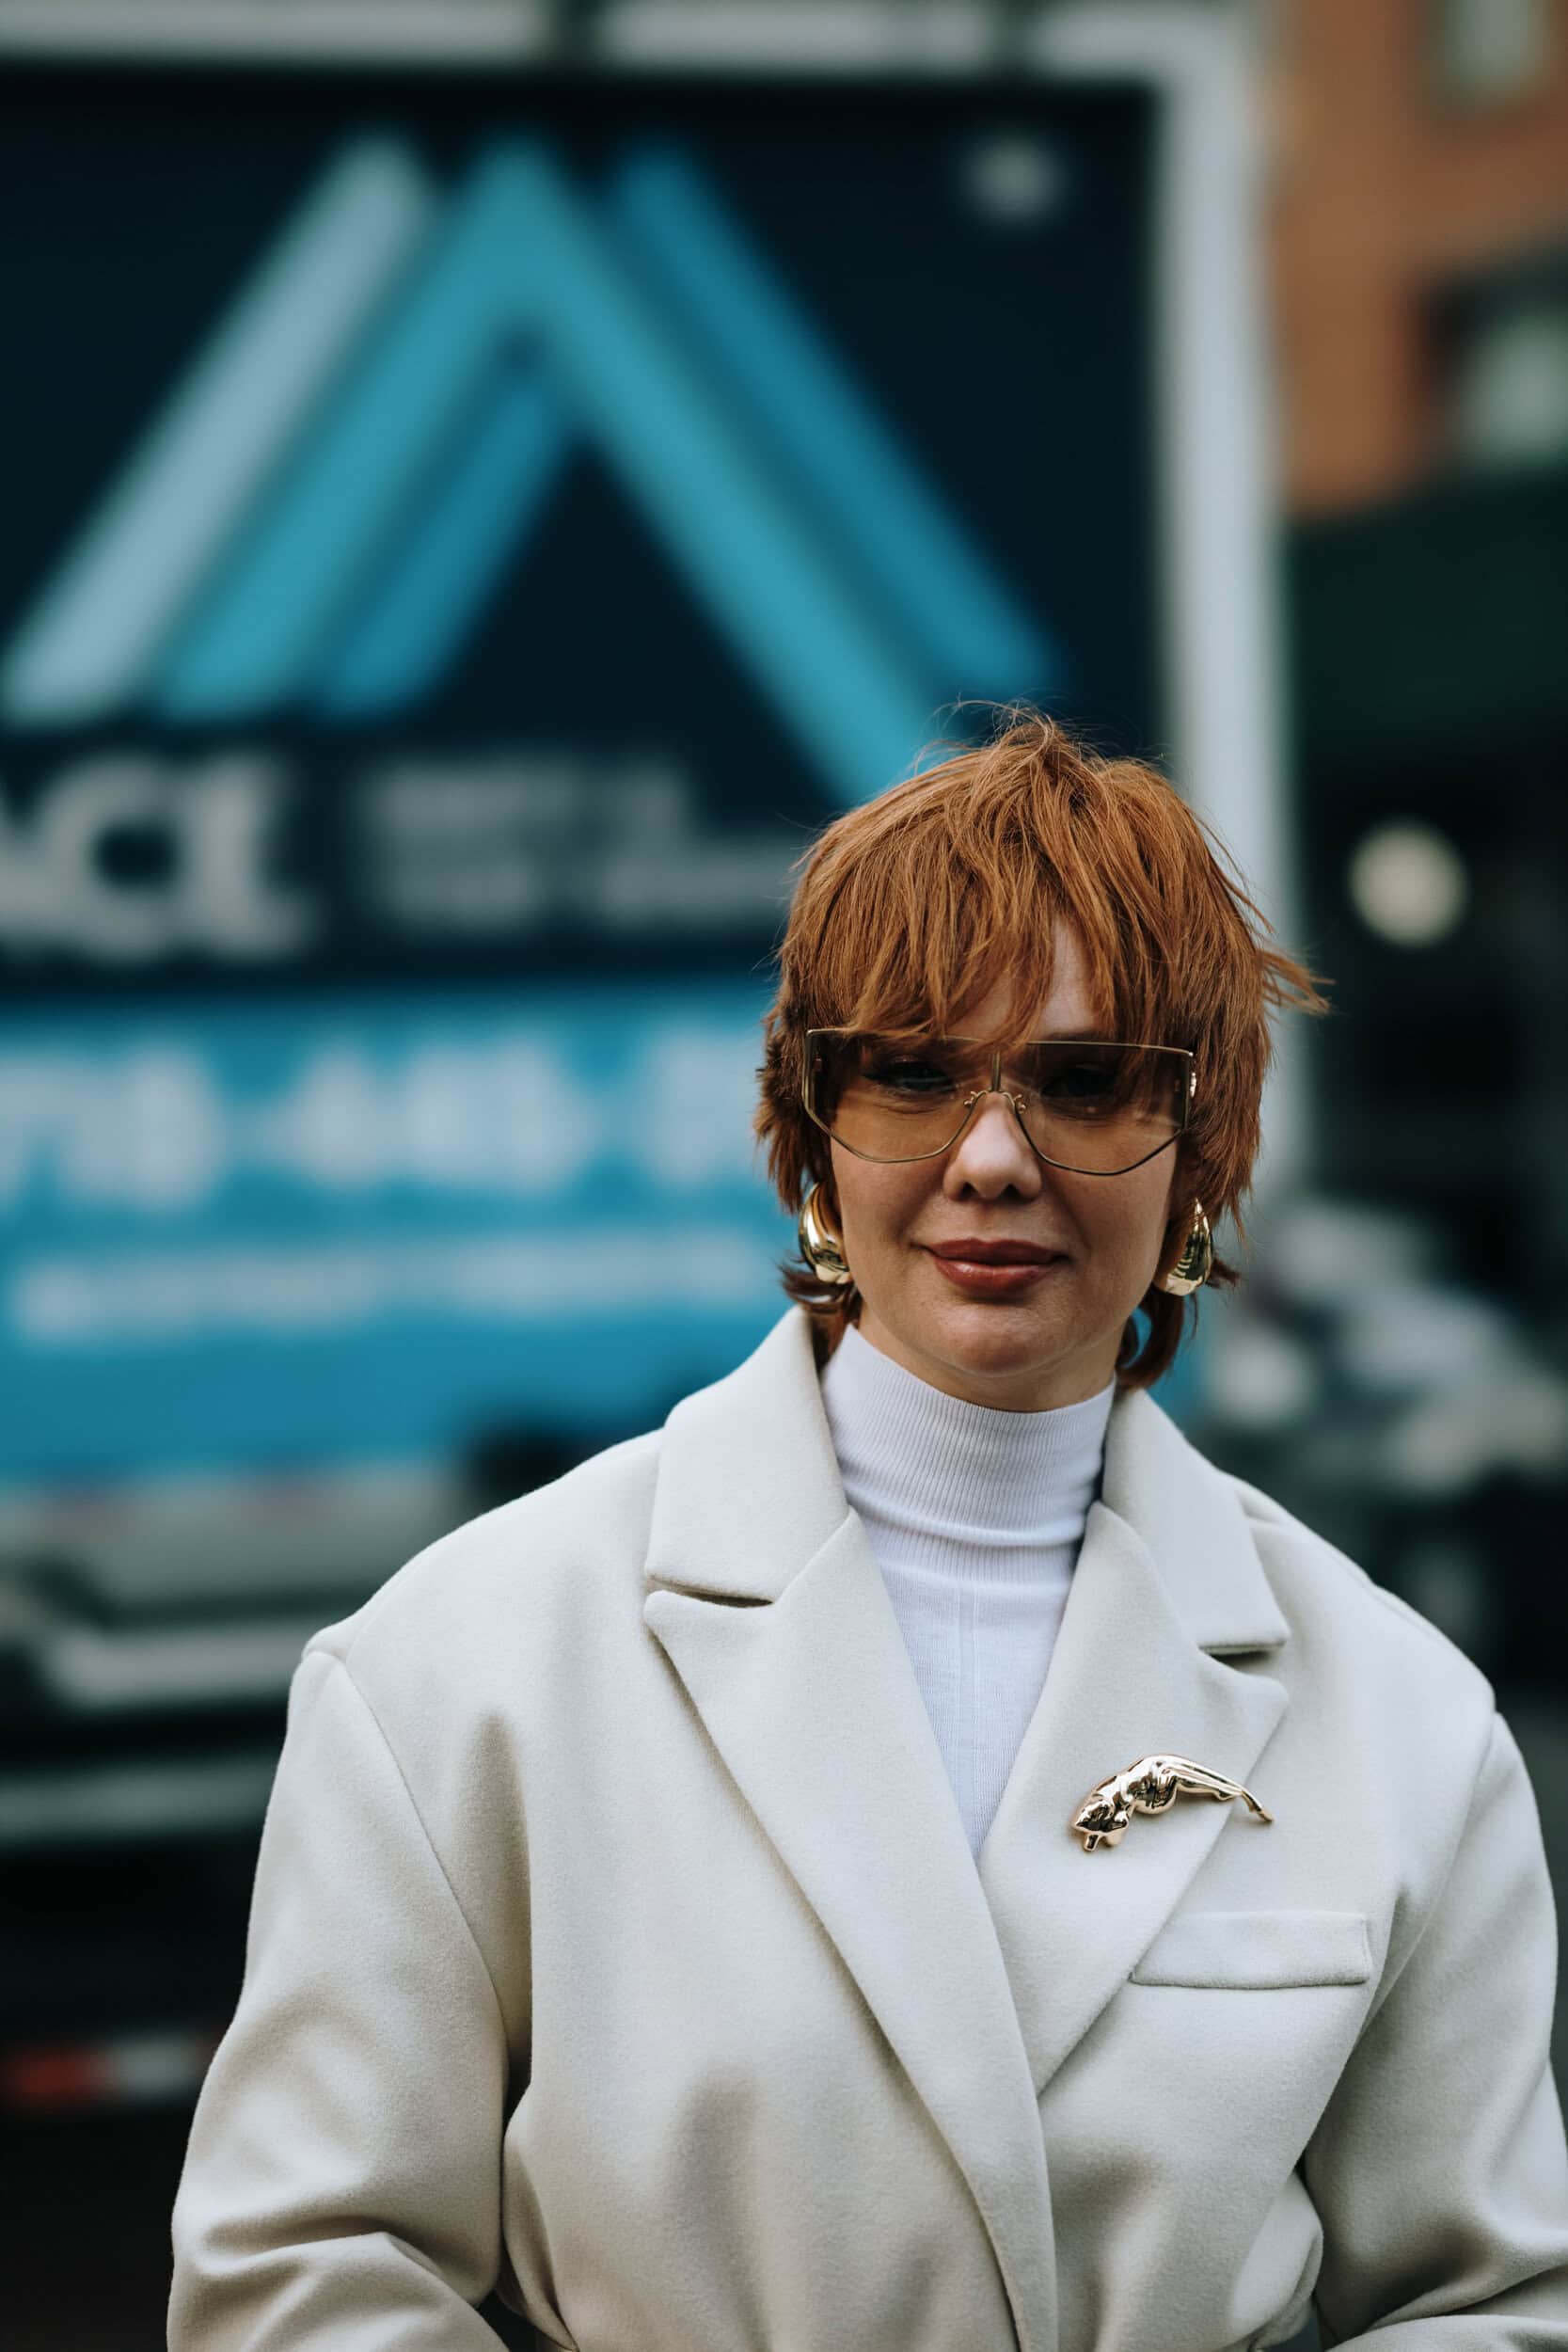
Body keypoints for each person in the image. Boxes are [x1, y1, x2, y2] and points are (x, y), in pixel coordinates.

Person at [168, 711, 1568, 2351]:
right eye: (911, 1074)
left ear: (1202, 1152)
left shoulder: (1402, 1716)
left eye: (1086, 1083)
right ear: (811, 1131)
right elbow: (302, 2276)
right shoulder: (457, 1672)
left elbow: (1494, 2301)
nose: (993, 1159)